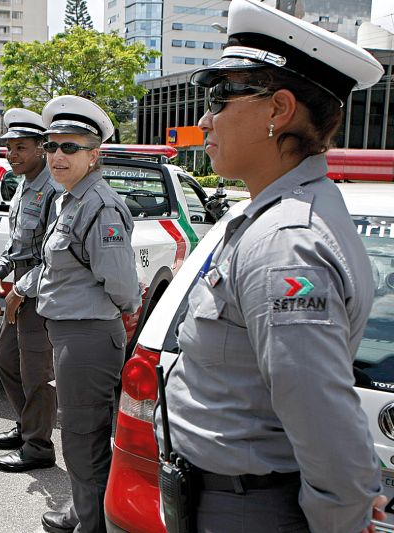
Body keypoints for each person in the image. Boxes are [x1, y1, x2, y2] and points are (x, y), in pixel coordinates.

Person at [154, 1, 386, 532]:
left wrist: (342, 518)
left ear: (279, 110)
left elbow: (321, 415)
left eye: (219, 97)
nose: (204, 120)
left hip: (244, 509)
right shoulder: (274, 214)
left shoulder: (286, 241)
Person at [36, 95, 140, 533]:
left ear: (94, 155)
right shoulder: (70, 199)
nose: (57, 155)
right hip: (70, 332)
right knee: (81, 434)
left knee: (83, 437)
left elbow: (122, 285)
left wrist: (124, 313)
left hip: (88, 336)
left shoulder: (100, 205)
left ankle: (92, 524)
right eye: (51, 145)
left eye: (70, 147)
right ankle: (83, 509)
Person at [0, 108, 62, 473]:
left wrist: (20, 288)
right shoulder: (23, 186)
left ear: (41, 149)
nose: (12, 154)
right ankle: (27, 425)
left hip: (41, 290)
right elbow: (16, 242)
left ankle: (39, 447)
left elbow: (55, 256)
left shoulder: (54, 191)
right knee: (5, 358)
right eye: (9, 147)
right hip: (19, 283)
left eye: (21, 148)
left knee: (36, 374)